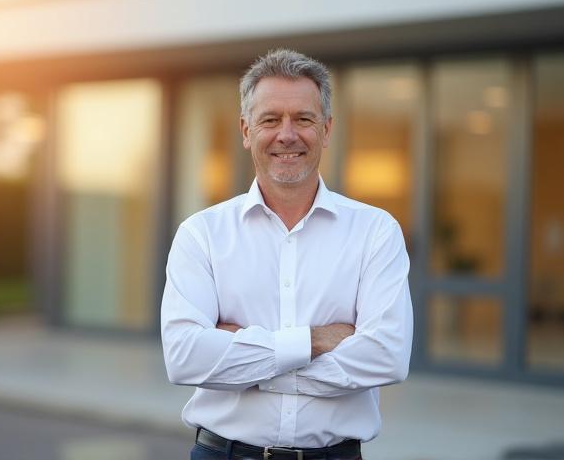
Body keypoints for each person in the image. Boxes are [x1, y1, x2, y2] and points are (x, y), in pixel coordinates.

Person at [161, 49, 413, 460]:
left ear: (327, 129)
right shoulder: (201, 234)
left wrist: (242, 359)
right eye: (270, 119)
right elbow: (185, 359)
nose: (287, 134)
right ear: (246, 130)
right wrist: (315, 340)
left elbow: (387, 357)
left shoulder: (375, 231)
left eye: (304, 119)